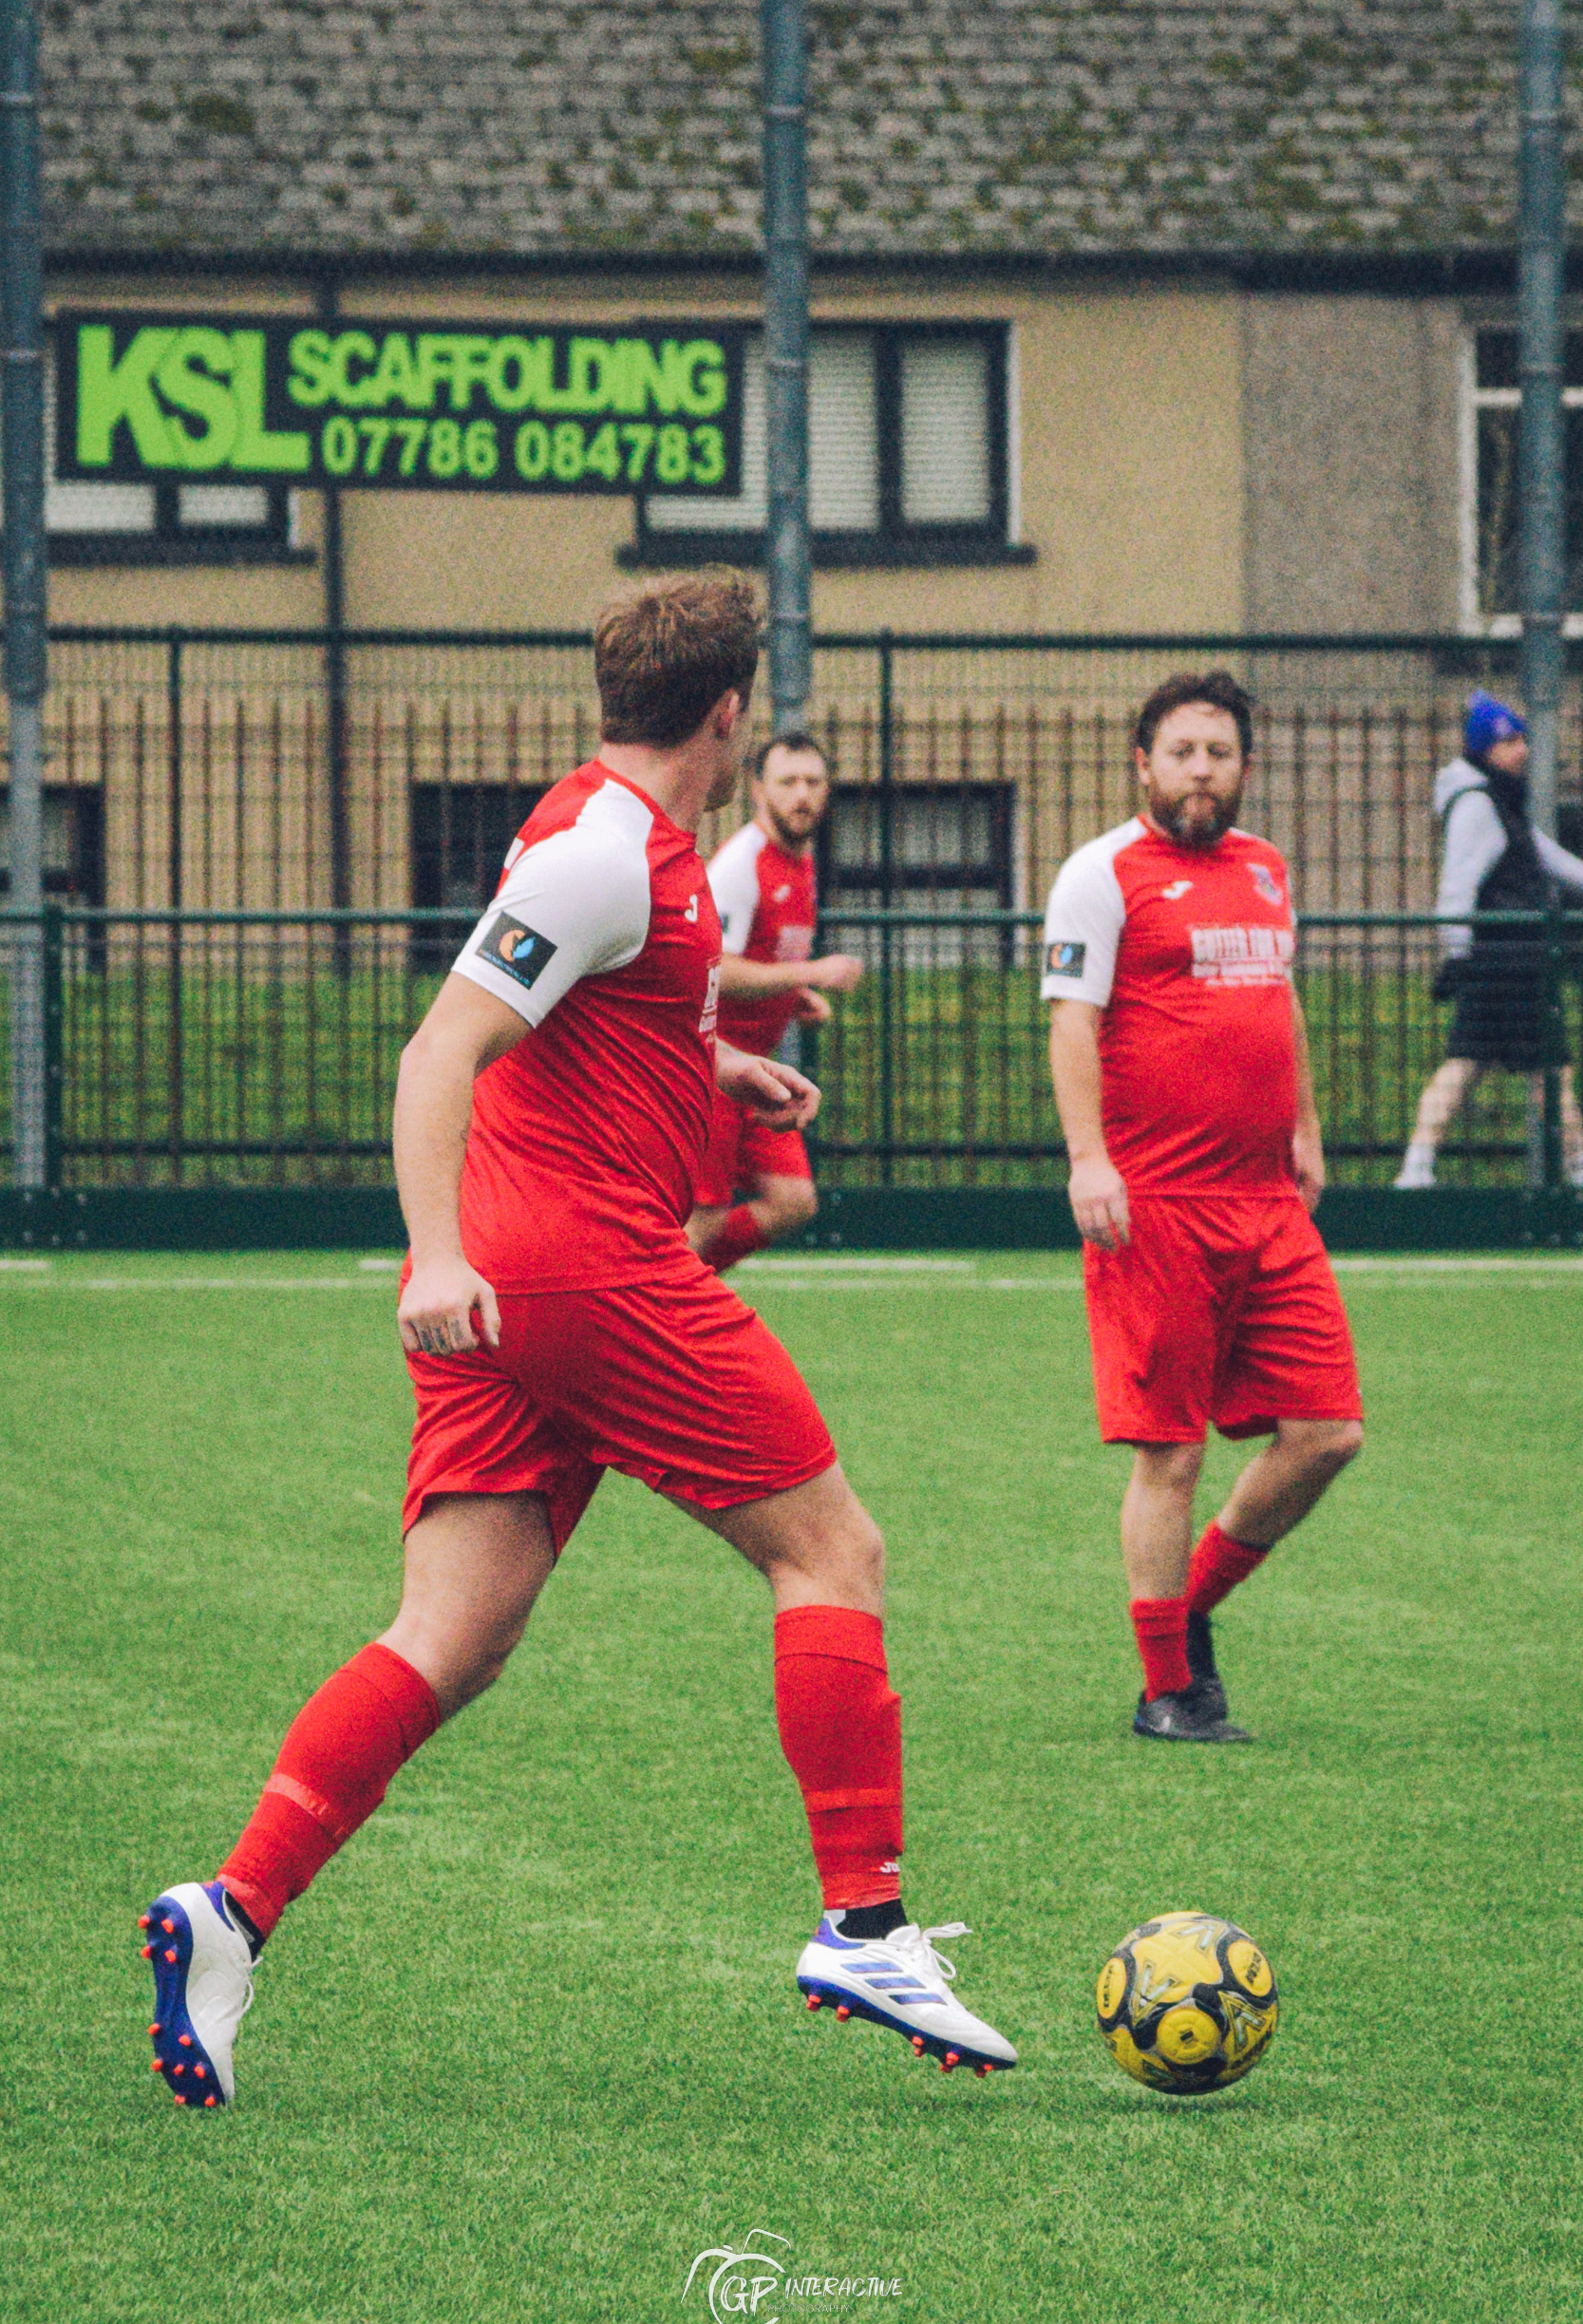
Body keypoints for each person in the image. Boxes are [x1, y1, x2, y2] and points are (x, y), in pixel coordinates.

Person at [137, 574, 1014, 2107]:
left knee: (452, 1637)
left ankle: (231, 1912)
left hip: (528, 1285)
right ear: (733, 714)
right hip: (574, 1271)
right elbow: (440, 1048)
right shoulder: (608, 854)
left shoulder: (623, 841)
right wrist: (434, 1252)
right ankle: (864, 1922)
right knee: (833, 1552)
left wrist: (720, 1059)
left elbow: (620, 994)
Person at [1044, 669, 1364, 1745]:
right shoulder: (1099, 873)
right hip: (1156, 1207)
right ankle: (1166, 1689)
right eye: (1180, 751)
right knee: (1169, 1452)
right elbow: (1072, 1025)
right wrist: (1088, 1160)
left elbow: (1279, 1006)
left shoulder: (1265, 869)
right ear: (1143, 763)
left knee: (1325, 1433)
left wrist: (1305, 1129)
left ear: (1241, 767)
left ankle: (1181, 1617)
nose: (1199, 771)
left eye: (1217, 753)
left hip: (1267, 1201)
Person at [688, 733, 862, 1274]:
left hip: (756, 1067)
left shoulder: (799, 860)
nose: (802, 794)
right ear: (758, 788)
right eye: (788, 782)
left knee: (792, 1201)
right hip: (713, 1064)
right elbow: (716, 966)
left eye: (813, 782)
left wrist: (792, 994)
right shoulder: (742, 863)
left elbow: (759, 957)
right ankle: (666, 1301)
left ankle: (681, 1285)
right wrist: (809, 972)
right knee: (702, 1222)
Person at [1394, 690, 1583, 1188]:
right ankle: (1579, 1170)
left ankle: (1416, 1169)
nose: (1522, 751)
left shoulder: (1501, 802)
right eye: (1511, 741)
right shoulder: (1480, 805)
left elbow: (1554, 862)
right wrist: (1457, 954)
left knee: (1467, 1065)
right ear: (1486, 750)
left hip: (1505, 961)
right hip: (1509, 961)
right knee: (1552, 1069)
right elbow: (1456, 887)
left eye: (1523, 739)